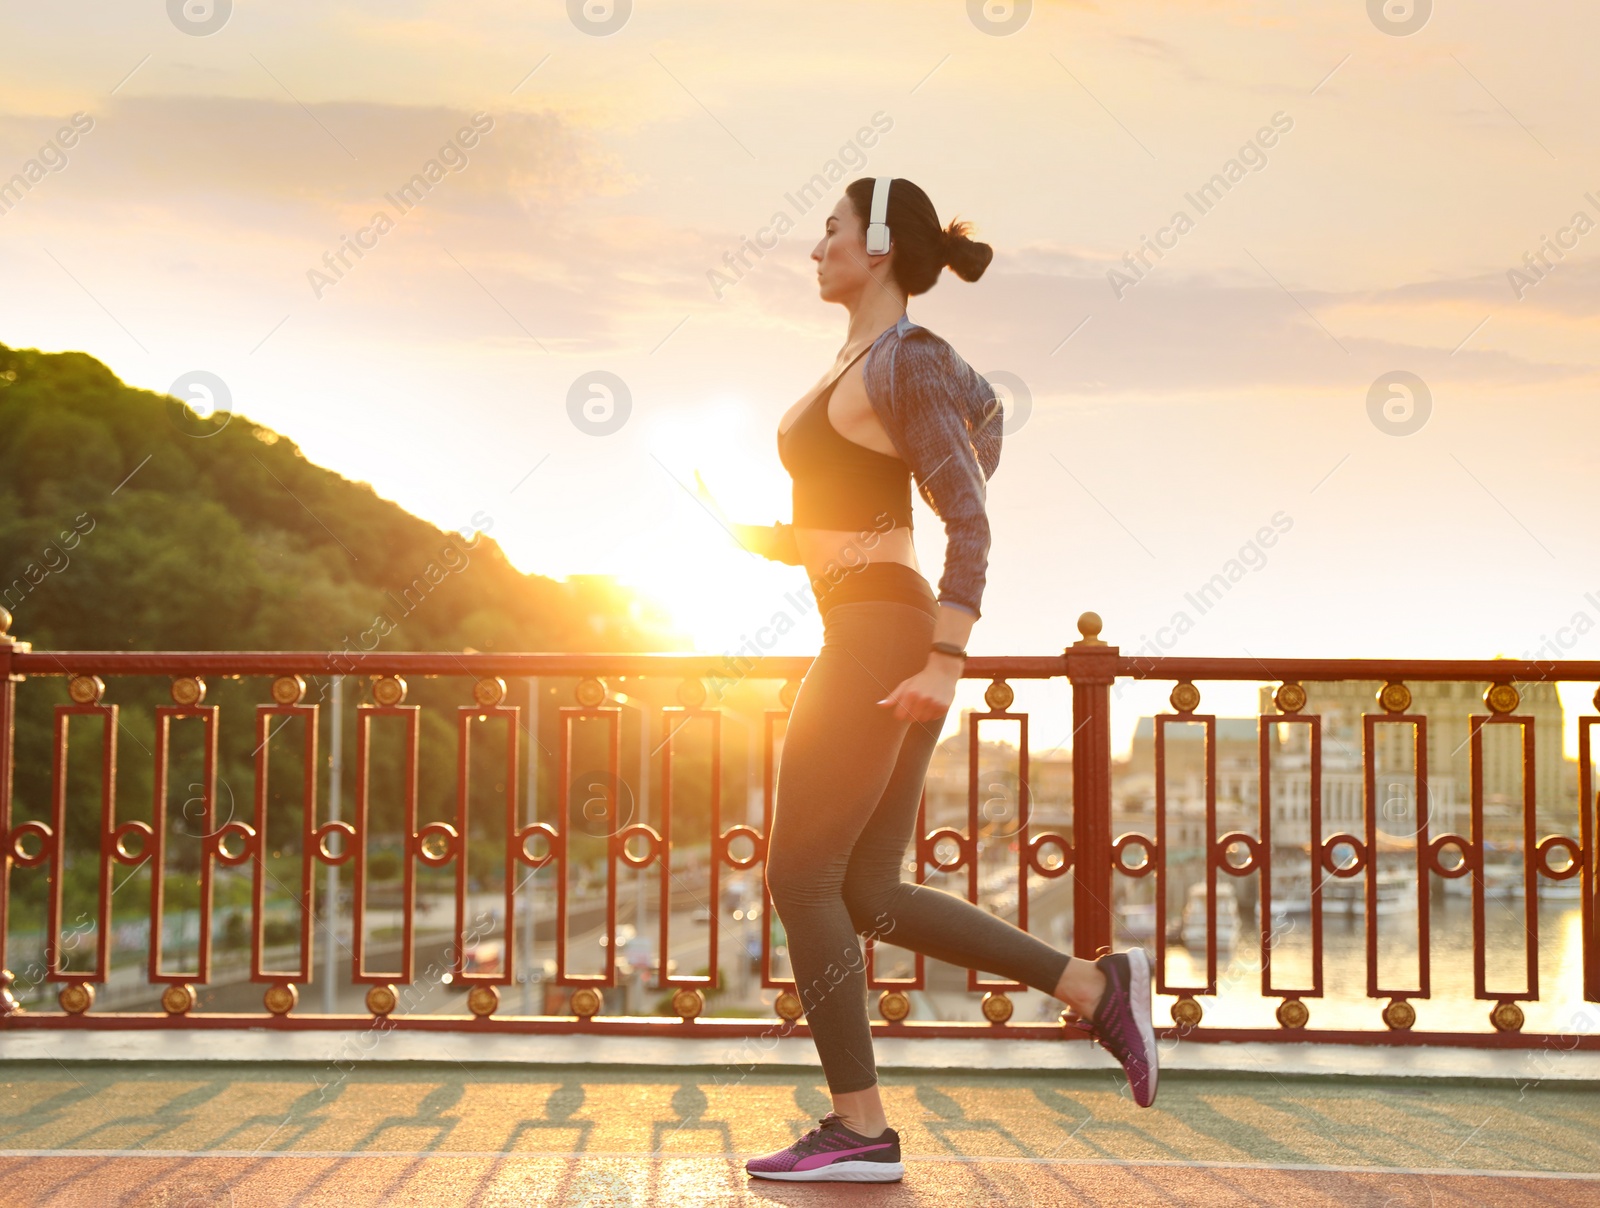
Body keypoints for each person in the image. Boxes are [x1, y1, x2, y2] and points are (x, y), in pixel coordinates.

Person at [720, 177, 1158, 1185]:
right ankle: (1094, 984)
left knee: (799, 878)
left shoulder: (903, 360)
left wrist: (945, 654)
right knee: (865, 891)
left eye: (829, 229)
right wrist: (745, 535)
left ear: (875, 245)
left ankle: (859, 1125)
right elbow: (855, 512)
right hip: (870, 617)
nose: (814, 246)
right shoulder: (862, 363)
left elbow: (966, 513)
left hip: (882, 633)